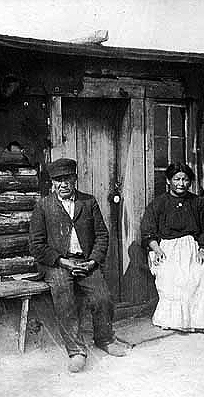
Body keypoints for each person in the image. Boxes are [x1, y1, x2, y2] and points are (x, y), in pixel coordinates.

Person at [29, 158, 127, 373]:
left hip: (84, 262)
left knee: (102, 296)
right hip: (56, 264)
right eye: (58, 180)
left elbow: (102, 235)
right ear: (52, 183)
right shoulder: (43, 206)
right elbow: (36, 245)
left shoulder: (88, 202)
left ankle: (105, 339)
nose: (63, 184)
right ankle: (76, 351)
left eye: (68, 179)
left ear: (75, 179)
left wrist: (92, 261)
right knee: (65, 295)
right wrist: (63, 262)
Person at [140, 163, 204, 340]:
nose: (181, 183)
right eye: (177, 179)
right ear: (168, 181)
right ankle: (178, 321)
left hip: (194, 247)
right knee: (173, 276)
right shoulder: (158, 204)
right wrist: (156, 249)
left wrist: (203, 249)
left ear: (190, 182)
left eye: (185, 179)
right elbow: (147, 230)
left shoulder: (199, 203)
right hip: (166, 248)